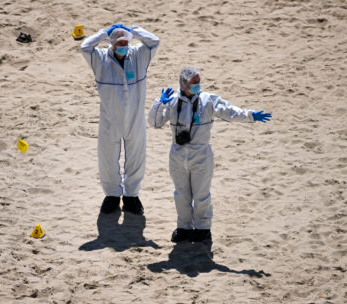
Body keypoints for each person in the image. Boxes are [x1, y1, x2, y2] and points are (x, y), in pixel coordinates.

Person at [148, 67, 272, 242]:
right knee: (181, 193)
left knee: (201, 194)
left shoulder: (208, 100)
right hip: (177, 156)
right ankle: (183, 227)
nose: (198, 85)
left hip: (201, 156)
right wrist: (159, 103)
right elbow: (154, 122)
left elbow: (230, 112)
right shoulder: (173, 102)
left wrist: (251, 115)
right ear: (184, 84)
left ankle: (203, 228)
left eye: (199, 81)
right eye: (194, 82)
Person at [80, 24, 160, 215]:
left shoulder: (138, 56)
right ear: (112, 45)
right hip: (110, 119)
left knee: (136, 157)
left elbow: (154, 42)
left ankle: (132, 196)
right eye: (120, 43)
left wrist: (135, 30)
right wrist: (102, 33)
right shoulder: (100, 59)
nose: (124, 46)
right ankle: (112, 195)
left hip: (135, 117)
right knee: (107, 158)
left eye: (126, 42)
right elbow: (84, 47)